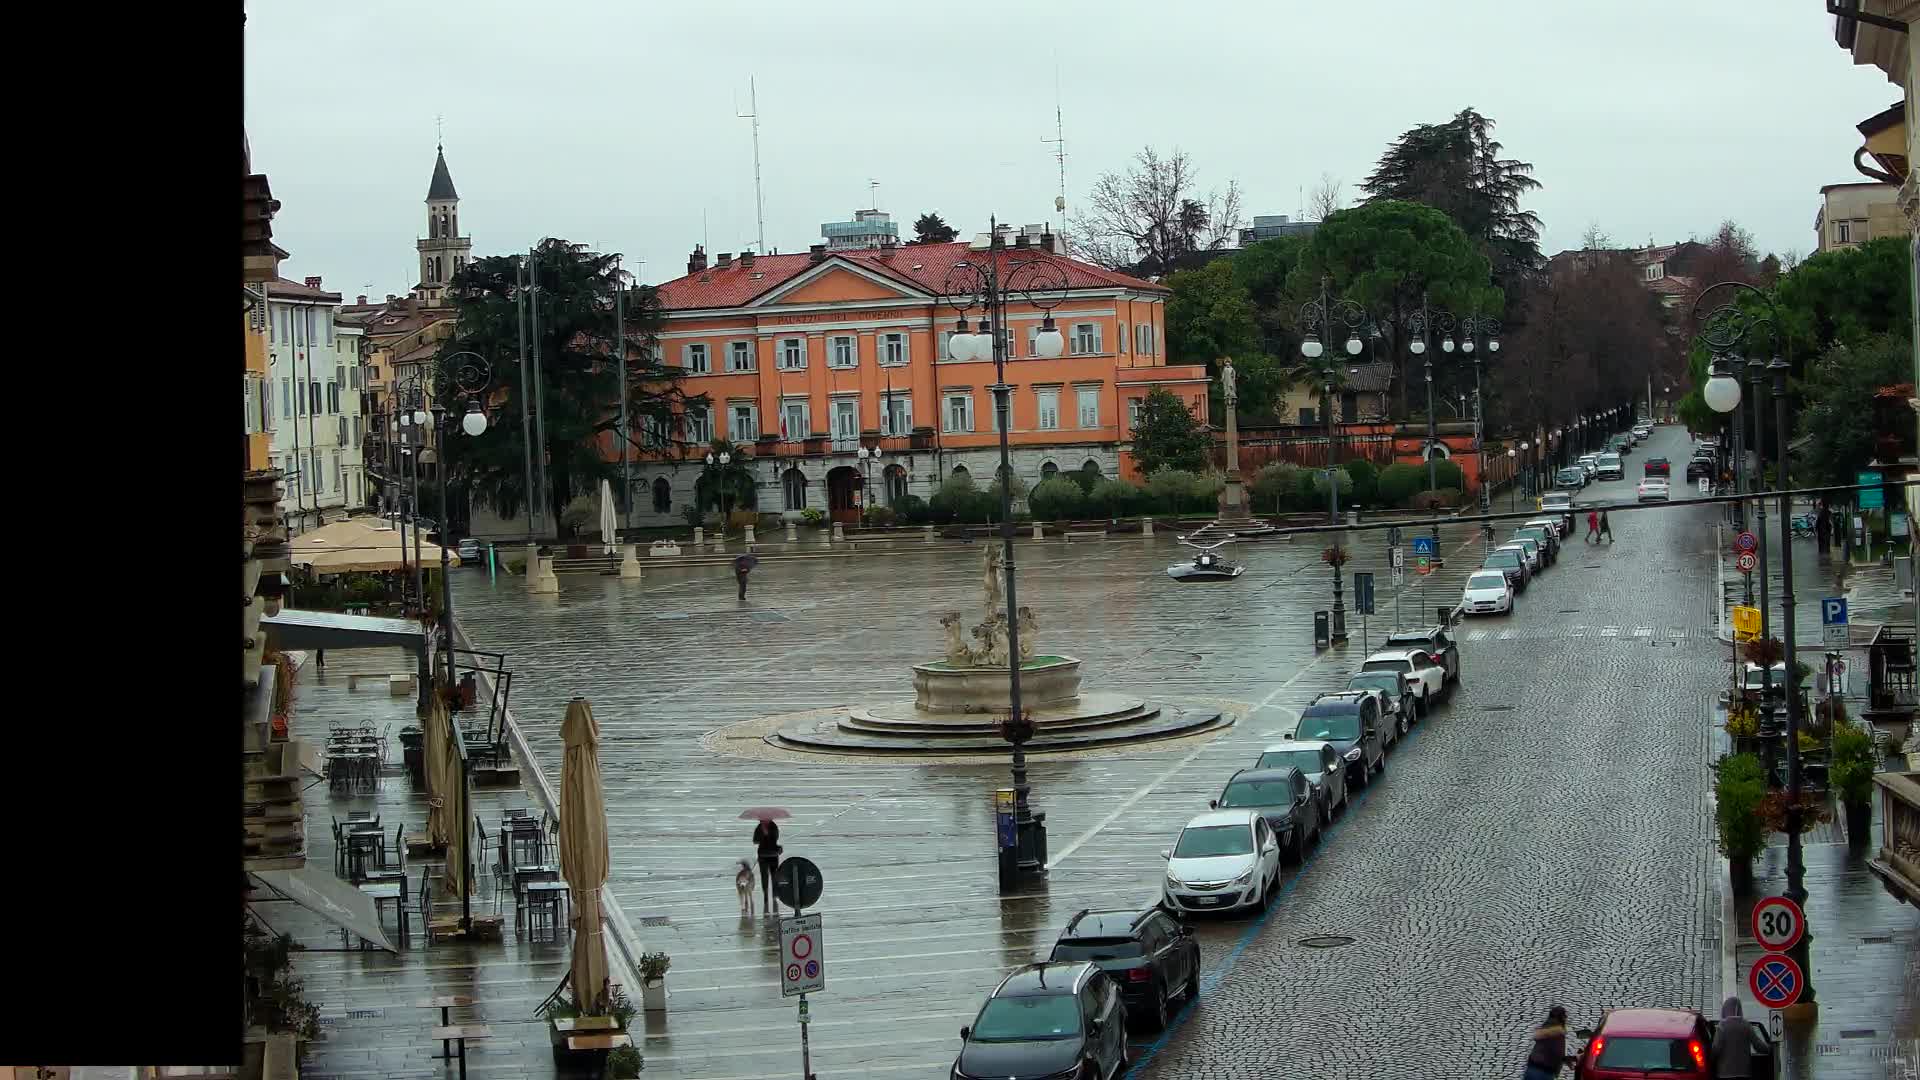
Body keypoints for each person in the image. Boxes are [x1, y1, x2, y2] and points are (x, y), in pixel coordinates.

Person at [1711, 996, 1766, 1078]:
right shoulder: (1746, 1025)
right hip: (1744, 1072)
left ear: (1725, 1009)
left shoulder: (1722, 1026)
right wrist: (1770, 1048)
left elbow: (1716, 1049)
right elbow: (1758, 1045)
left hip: (1725, 1073)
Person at [1524, 1006, 1572, 1080]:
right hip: (1545, 1072)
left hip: (1531, 1068)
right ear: (1562, 1018)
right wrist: (1557, 1071)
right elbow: (1558, 1053)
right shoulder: (1559, 1033)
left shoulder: (1545, 1026)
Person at [752, 816, 782, 915]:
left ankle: (767, 896)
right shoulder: (774, 826)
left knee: (765, 876)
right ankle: (774, 895)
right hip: (772, 855)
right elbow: (776, 838)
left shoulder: (759, 827)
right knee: (774, 875)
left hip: (764, 855)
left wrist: (764, 836)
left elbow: (755, 840)